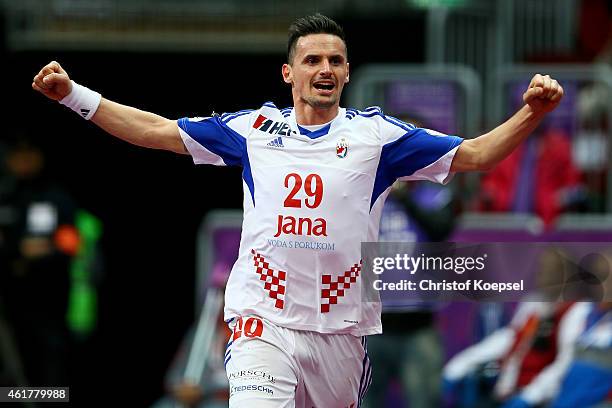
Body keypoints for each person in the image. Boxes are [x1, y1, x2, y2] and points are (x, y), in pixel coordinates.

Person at [32, 13, 564, 407]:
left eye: (334, 60)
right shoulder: (253, 130)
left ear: (348, 71)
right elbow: (157, 131)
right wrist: (74, 95)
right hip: (262, 319)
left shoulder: (377, 136)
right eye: (312, 60)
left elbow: (474, 154)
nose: (324, 68)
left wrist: (531, 113)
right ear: (289, 73)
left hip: (340, 331)